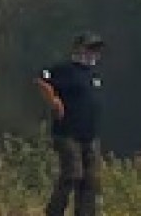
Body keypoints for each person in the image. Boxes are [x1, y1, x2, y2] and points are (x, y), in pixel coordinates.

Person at [37, 32, 106, 216]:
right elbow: (43, 80)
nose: (93, 53)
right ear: (79, 49)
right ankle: (55, 211)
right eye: (90, 49)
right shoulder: (66, 70)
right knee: (73, 174)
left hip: (90, 134)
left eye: (96, 50)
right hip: (67, 133)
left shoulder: (94, 74)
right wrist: (54, 100)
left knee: (91, 179)